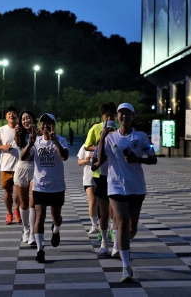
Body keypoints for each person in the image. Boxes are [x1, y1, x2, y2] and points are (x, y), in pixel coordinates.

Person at [93, 102, 157, 283]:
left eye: (128, 113)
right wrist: (102, 139)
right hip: (115, 187)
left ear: (132, 117)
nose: (124, 116)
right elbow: (99, 160)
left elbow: (153, 159)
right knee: (121, 222)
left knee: (131, 227)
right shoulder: (110, 137)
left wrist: (139, 159)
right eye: (121, 113)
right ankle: (126, 267)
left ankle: (122, 244)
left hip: (136, 187)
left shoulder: (142, 136)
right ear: (117, 116)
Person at [21, 113, 69, 263]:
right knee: (39, 217)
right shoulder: (36, 141)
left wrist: (55, 141)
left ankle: (56, 230)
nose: (45, 126)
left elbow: (65, 156)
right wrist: (29, 143)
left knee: (56, 217)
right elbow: (22, 157)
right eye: (43, 124)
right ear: (40, 126)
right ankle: (40, 250)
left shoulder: (61, 140)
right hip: (40, 186)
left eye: (48, 124)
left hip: (56, 186)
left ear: (53, 125)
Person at [84, 102, 117, 254]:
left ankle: (116, 242)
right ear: (102, 116)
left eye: (111, 115)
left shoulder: (120, 131)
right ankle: (104, 240)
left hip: (117, 176)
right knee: (103, 211)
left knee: (115, 212)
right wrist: (102, 143)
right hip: (100, 175)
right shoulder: (96, 129)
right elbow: (87, 146)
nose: (108, 118)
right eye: (106, 115)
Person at [14, 110, 40, 245]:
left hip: (36, 169)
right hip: (22, 168)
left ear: (33, 119)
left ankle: (33, 234)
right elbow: (18, 145)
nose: (26, 121)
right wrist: (16, 134)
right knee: (23, 203)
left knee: (33, 202)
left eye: (28, 118)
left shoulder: (39, 132)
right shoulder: (19, 133)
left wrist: (38, 133)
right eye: (23, 119)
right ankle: (25, 229)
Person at [0, 106, 22, 225]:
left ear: (17, 115)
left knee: (19, 191)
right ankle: (9, 213)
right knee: (8, 191)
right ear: (6, 117)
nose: (11, 115)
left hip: (20, 166)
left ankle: (17, 210)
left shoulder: (20, 128)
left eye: (14, 113)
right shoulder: (1, 130)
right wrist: (3, 147)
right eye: (9, 113)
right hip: (6, 166)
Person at [77, 123, 100, 234]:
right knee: (93, 201)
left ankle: (103, 223)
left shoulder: (104, 145)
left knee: (101, 202)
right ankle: (94, 225)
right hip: (89, 178)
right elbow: (79, 162)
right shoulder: (85, 146)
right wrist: (86, 160)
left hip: (101, 177)